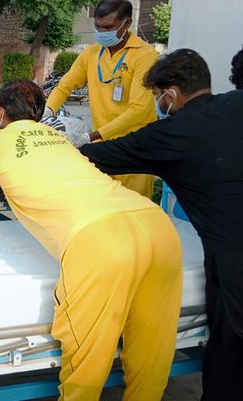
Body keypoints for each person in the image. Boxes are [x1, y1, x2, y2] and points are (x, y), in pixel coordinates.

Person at [0, 80, 183, 400]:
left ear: (1, 112)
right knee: (151, 352)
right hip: (157, 227)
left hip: (100, 241)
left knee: (86, 364)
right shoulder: (58, 139)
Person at [79, 49, 243, 400]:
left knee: (227, 370)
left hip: (235, 269)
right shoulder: (236, 105)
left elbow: (96, 157)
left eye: (157, 97)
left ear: (170, 94)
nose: (158, 104)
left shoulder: (172, 135)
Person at [45, 0, 158, 198]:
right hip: (103, 149)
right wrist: (47, 113)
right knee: (102, 208)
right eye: (97, 27)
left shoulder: (145, 55)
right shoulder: (92, 53)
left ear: (127, 23)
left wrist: (91, 136)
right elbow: (65, 86)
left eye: (108, 27)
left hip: (134, 149)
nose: (102, 33)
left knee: (133, 214)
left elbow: (138, 110)